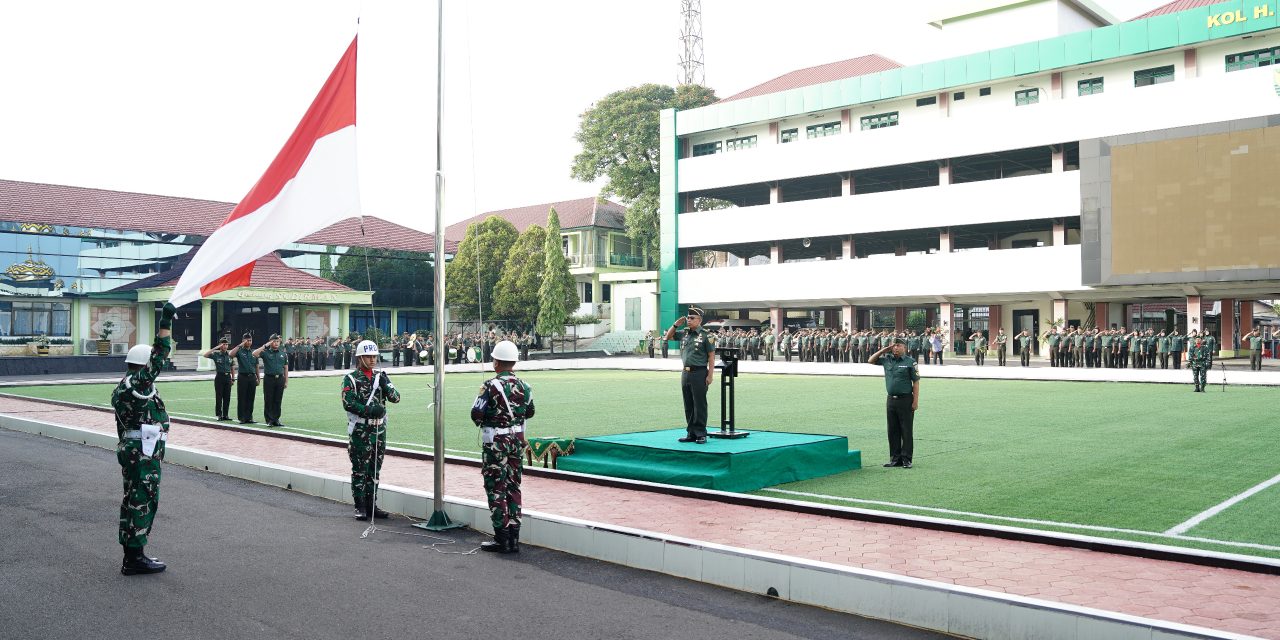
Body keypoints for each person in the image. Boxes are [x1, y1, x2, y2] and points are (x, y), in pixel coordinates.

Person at [113, 301, 176, 575]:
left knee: (133, 499)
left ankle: (132, 554)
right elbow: (160, 356)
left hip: (137, 450)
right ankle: (135, 557)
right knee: (144, 499)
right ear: (143, 365)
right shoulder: (136, 383)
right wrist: (165, 324)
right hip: (142, 453)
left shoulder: (127, 386)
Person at [470, 340, 534, 554]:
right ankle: (514, 538)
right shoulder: (525, 386)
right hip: (516, 442)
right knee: (514, 486)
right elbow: (530, 412)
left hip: (496, 444)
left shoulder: (490, 386)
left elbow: (476, 414)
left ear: (496, 362)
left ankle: (501, 538)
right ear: (514, 361)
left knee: (496, 488)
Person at [342, 339, 401, 520]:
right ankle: (359, 506)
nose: (373, 359)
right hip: (361, 430)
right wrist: (369, 410)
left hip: (379, 431)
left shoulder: (379, 377)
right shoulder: (351, 378)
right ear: (360, 358)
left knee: (375, 469)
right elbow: (348, 402)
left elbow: (396, 398)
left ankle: (371, 505)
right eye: (368, 356)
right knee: (360, 469)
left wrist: (387, 383)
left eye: (374, 356)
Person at [663, 306, 715, 444]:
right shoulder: (684, 333)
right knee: (688, 404)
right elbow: (667, 337)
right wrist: (675, 325)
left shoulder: (706, 335)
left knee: (700, 404)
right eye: (688, 318)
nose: (689, 320)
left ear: (700, 320)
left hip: (699, 372)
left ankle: (701, 433)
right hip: (685, 372)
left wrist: (710, 375)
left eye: (692, 318)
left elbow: (711, 357)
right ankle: (691, 432)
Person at [869, 337, 920, 469]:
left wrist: (915, 401)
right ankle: (895, 459)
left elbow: (916, 382)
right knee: (892, 430)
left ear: (904, 348)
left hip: (906, 400)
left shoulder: (910, 362)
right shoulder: (887, 360)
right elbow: (870, 360)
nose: (895, 348)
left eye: (898, 345)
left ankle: (906, 459)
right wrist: (884, 349)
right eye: (894, 345)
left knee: (906, 430)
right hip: (891, 400)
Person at [254, 334, 288, 427]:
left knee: (278, 400)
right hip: (269, 378)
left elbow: (285, 368)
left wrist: (286, 381)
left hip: (280, 378)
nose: (276, 343)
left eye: (278, 341)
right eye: (274, 341)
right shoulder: (265, 352)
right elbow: (254, 354)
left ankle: (276, 419)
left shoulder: (283, 353)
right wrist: (265, 345)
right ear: (270, 342)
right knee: (268, 399)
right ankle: (269, 420)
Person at [200, 336, 235, 421]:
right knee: (219, 397)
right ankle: (219, 415)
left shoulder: (230, 355)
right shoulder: (216, 355)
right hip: (219, 377)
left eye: (226, 344)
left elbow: (232, 367)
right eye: (223, 344)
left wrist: (233, 378)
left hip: (228, 377)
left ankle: (226, 415)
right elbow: (205, 355)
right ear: (220, 345)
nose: (225, 346)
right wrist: (215, 348)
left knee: (227, 397)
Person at [228, 333, 259, 424]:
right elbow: (230, 354)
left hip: (252, 377)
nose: (249, 342)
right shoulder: (240, 351)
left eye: (250, 340)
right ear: (243, 341)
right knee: (242, 397)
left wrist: (258, 378)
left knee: (251, 398)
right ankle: (242, 417)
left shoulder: (253, 353)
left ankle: (249, 417)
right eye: (247, 340)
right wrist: (240, 345)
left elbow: (256, 366)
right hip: (243, 377)